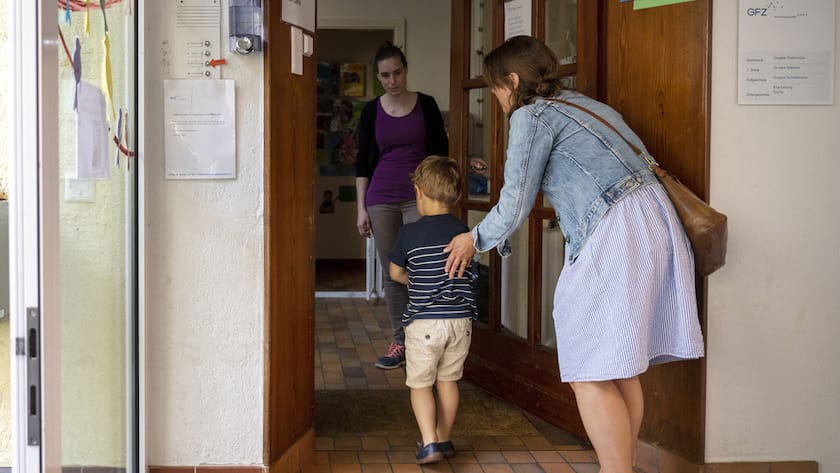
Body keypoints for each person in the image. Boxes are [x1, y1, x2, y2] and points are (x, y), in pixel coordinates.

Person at [444, 36, 705, 473]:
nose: (494, 96)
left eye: (495, 86)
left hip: (614, 229)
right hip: (652, 221)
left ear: (512, 80)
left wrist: (474, 238)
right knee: (620, 364)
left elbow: (515, 203)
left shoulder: (531, 115)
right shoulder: (587, 105)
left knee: (587, 363)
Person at [356, 42, 450, 370]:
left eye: (397, 72)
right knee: (394, 271)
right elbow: (362, 163)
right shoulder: (371, 111)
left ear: (406, 70)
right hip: (380, 198)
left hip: (419, 196)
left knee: (424, 266)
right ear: (378, 77)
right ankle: (400, 342)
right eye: (385, 75)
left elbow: (441, 153)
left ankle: (427, 339)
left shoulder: (426, 104)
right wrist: (360, 208)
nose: (392, 80)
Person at [388, 156, 475, 464]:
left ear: (418, 192)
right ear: (457, 195)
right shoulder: (463, 232)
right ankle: (445, 438)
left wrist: (417, 281)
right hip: (460, 321)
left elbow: (396, 273)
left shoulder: (409, 233)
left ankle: (429, 443)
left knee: (421, 383)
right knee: (448, 381)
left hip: (425, 323)